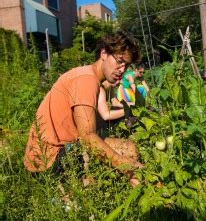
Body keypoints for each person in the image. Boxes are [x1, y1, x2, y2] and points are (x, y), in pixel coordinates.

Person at [24, 31, 143, 186]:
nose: (122, 69)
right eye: (119, 61)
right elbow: (87, 137)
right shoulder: (86, 80)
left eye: (126, 65)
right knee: (128, 150)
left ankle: (132, 191)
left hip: (43, 157)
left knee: (122, 148)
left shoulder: (87, 76)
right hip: (48, 162)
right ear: (104, 53)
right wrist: (127, 167)